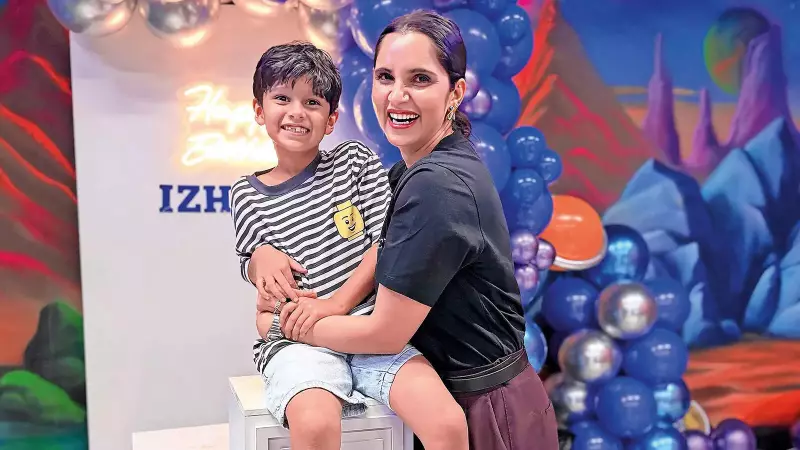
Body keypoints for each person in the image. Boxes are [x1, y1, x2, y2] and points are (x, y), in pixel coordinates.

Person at [279, 11, 560, 450]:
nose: (397, 95)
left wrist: (294, 328)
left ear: (455, 93)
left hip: (489, 412)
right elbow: (383, 247)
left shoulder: (437, 184)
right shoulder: (413, 170)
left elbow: (384, 334)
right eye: (385, 76)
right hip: (462, 398)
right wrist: (331, 300)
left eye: (420, 79)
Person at [229, 42, 468, 450]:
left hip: (368, 330)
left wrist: (338, 303)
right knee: (315, 424)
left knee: (447, 424)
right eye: (282, 98)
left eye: (312, 102)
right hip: (300, 344)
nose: (296, 112)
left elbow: (386, 243)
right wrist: (259, 259)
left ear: (331, 119)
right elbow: (252, 262)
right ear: (258, 110)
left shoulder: (354, 162)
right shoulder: (245, 193)